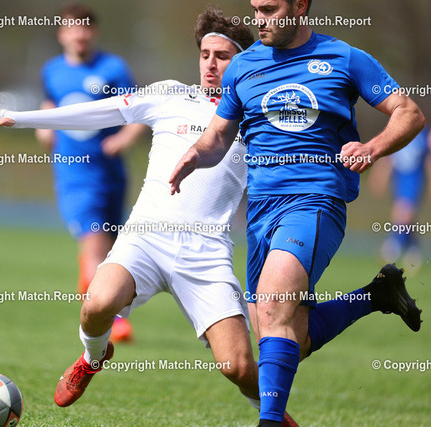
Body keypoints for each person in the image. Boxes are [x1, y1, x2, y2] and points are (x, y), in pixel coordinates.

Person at [0, 5, 419, 425]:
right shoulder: (169, 95)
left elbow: (304, 131)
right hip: (144, 240)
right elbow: (102, 112)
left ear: (242, 61)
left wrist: (353, 154)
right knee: (96, 303)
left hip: (206, 254)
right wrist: (19, 117)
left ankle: (276, 412)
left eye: (222, 56)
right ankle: (93, 358)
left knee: (242, 364)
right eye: (205, 54)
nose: (210, 64)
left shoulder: (254, 112)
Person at [169, 0, 425, 425]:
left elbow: (409, 113)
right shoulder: (242, 67)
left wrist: (373, 148)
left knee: (273, 307)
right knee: (288, 335)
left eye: (270, 9)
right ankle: (375, 296)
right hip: (260, 212)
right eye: (256, 8)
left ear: (301, 5)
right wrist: (194, 155)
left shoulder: (344, 58)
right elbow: (217, 136)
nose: (259, 19)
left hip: (315, 201)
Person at [36, 3, 146, 342]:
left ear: (94, 31)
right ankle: (111, 321)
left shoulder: (113, 69)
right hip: (74, 176)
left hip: (109, 175)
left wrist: (123, 139)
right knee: (95, 244)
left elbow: (138, 113)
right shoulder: (52, 71)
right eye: (72, 28)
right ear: (61, 34)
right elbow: (48, 107)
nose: (79, 34)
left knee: (110, 249)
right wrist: (43, 131)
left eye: (85, 27)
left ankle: (93, 292)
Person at [369, 125, 430, 273]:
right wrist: (380, 177)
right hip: (399, 179)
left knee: (404, 213)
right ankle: (413, 249)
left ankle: (393, 244)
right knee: (403, 214)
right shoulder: (397, 130)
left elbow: (428, 160)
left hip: (415, 179)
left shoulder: (424, 134)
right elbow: (387, 157)